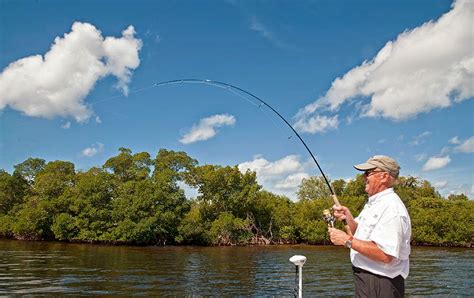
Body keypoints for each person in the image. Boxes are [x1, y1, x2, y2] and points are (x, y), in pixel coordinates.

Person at [328, 155, 411, 298]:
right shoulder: (374, 203)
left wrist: (346, 240)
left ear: (384, 176)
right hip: (366, 280)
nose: (363, 178)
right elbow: (359, 233)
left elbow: (385, 255)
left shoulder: (391, 208)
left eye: (368, 173)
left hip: (381, 283)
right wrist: (348, 217)